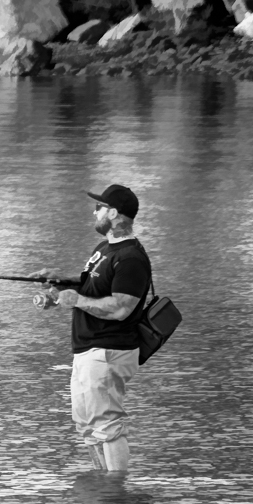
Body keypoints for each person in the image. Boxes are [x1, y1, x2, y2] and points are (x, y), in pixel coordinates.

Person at [34, 183, 154, 473]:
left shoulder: (131, 258)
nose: (94, 211)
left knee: (108, 426)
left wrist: (76, 300)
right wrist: (60, 283)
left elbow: (121, 308)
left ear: (113, 213)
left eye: (99, 207)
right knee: (87, 425)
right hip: (90, 350)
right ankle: (105, 486)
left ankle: (117, 489)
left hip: (109, 351)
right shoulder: (106, 248)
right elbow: (92, 286)